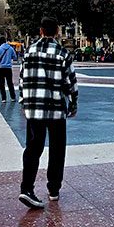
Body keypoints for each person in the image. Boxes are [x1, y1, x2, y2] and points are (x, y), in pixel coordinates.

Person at [18, 17, 78, 209]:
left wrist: (23, 102)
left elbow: (22, 79)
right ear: (57, 32)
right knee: (57, 149)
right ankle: (53, 189)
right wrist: (73, 104)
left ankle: (27, 188)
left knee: (33, 148)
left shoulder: (29, 51)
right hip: (55, 109)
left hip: (34, 108)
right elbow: (70, 82)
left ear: (41, 31)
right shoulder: (63, 53)